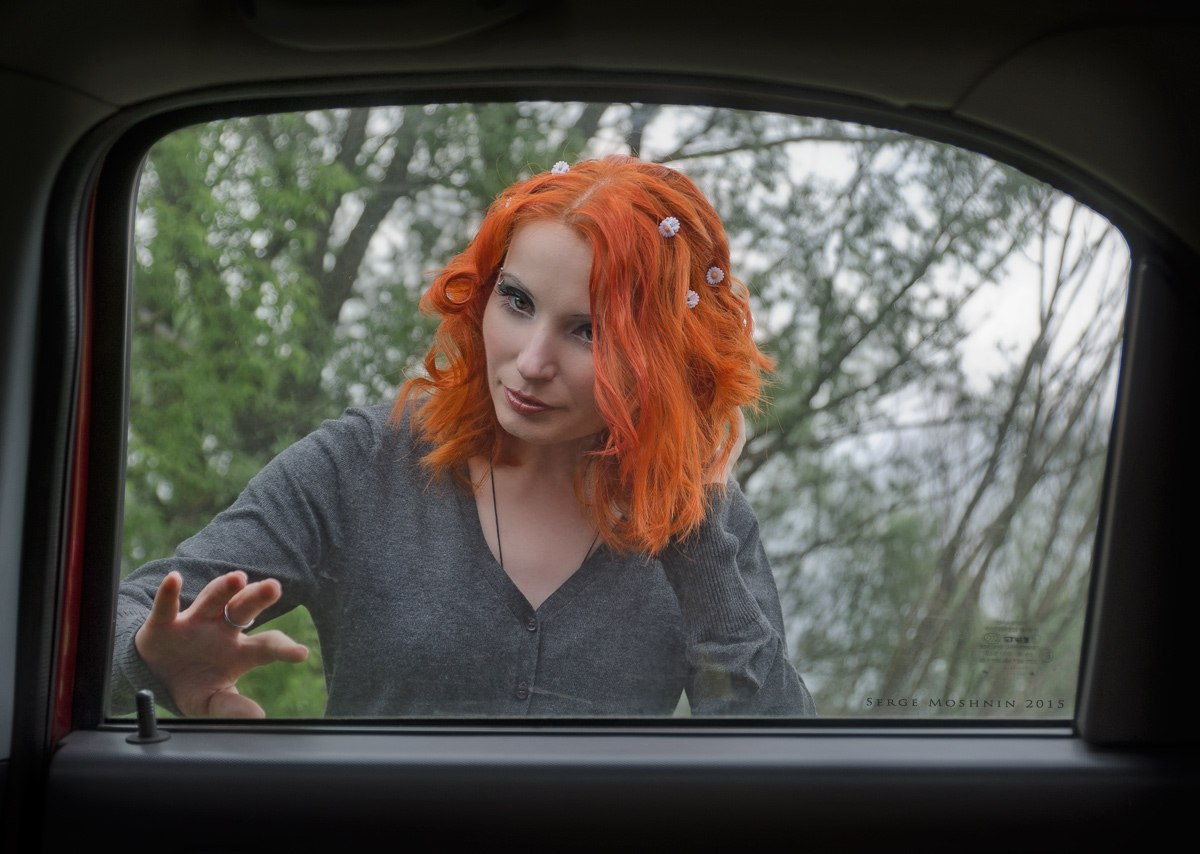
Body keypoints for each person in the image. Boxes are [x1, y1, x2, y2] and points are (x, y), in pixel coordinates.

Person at [111, 154, 817, 718]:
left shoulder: (707, 525)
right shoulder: (363, 463)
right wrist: (147, 659)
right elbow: (122, 616)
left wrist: (690, 524)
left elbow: (777, 763)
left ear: (662, 359)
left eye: (588, 331)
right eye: (517, 301)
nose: (531, 362)